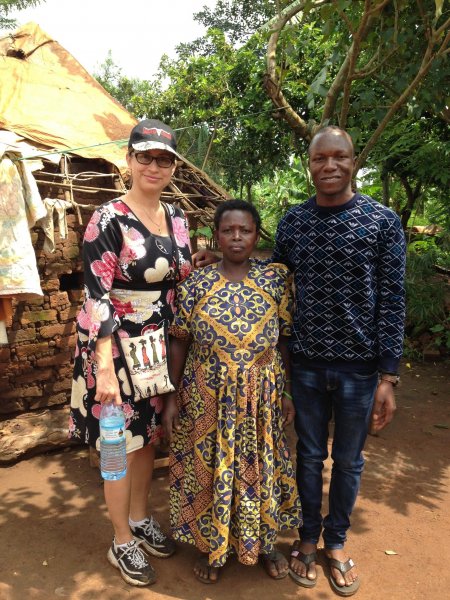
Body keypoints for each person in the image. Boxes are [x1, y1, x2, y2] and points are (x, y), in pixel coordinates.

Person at [194, 127, 406, 596]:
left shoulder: (382, 221)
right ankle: (307, 541)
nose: (329, 166)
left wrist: (388, 375)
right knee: (307, 456)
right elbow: (272, 274)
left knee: (348, 462)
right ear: (309, 165)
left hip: (359, 368)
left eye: (339, 157)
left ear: (354, 162)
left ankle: (336, 544)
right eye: (319, 159)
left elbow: (393, 298)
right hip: (305, 366)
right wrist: (218, 257)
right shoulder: (294, 222)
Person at [69, 119, 192, 587]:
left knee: (149, 437)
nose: (154, 166)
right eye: (145, 156)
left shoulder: (178, 217)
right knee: (119, 442)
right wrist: (104, 368)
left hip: (157, 349)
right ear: (129, 159)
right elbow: (96, 295)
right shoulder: (108, 219)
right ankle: (120, 539)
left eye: (164, 159)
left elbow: (179, 275)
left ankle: (140, 517)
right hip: (115, 348)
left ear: (174, 167)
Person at [163, 199, 302, 584]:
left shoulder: (276, 280)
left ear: (257, 235)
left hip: (262, 397)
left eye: (245, 230)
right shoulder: (195, 284)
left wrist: (287, 392)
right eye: (228, 230)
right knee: (211, 469)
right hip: (207, 393)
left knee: (261, 467)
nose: (237, 237)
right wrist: (172, 396)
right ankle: (214, 546)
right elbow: (179, 341)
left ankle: (265, 543)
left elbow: (285, 341)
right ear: (216, 235)